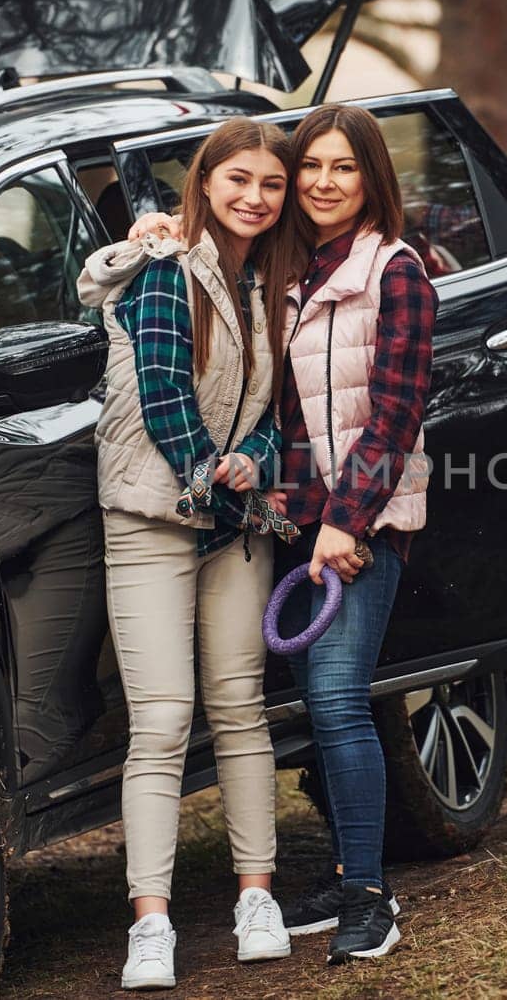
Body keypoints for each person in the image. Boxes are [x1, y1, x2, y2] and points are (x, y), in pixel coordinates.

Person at [128, 105, 437, 964]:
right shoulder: (287, 271)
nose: (323, 182)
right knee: (314, 702)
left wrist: (346, 518)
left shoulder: (395, 272)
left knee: (338, 699)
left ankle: (370, 896)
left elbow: (396, 412)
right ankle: (348, 870)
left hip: (359, 524)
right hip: (291, 523)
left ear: (372, 178)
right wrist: (155, 227)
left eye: (344, 168)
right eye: (313, 168)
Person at [81, 117, 306, 990]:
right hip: (153, 516)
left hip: (234, 521)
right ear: (204, 183)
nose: (255, 197)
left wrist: (265, 457)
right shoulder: (164, 271)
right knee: (166, 719)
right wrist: (217, 470)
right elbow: (167, 391)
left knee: (241, 708)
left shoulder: (275, 286)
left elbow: (287, 407)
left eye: (271, 184)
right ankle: (152, 922)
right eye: (238, 179)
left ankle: (257, 898)